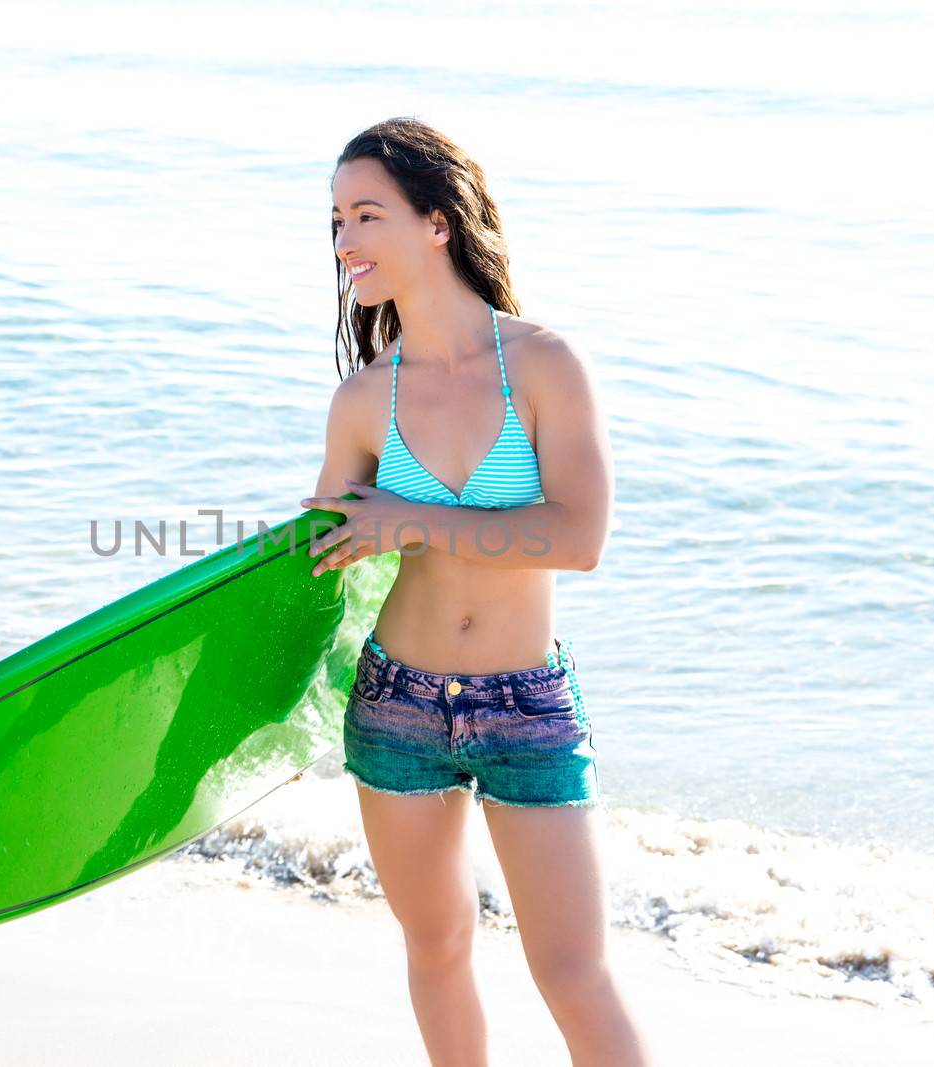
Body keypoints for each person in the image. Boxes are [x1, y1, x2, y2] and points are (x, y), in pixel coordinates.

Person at [299, 117, 654, 1067]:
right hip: (396, 703)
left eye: (367, 215)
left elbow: (579, 538)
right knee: (438, 944)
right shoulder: (364, 399)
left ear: (437, 222)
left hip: (524, 703)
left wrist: (410, 522)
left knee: (573, 973)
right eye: (336, 221)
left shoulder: (544, 365)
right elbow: (322, 565)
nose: (345, 243)